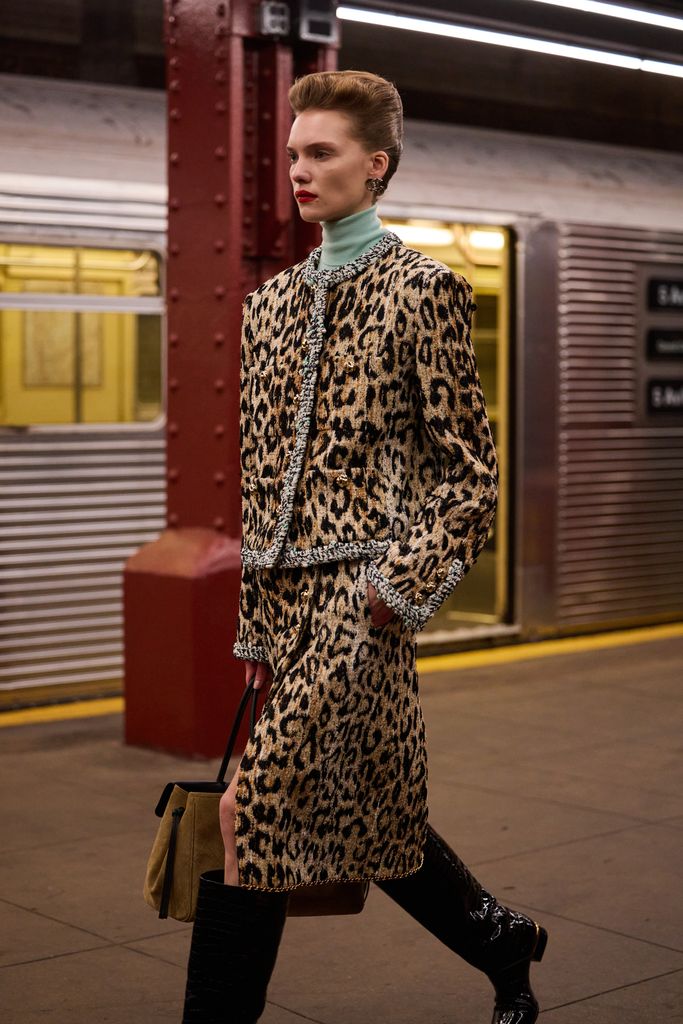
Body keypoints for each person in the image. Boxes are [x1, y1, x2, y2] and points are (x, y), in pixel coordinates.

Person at [182, 70, 548, 1024]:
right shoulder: (269, 306)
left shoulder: (423, 290)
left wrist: (398, 584)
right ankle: (500, 940)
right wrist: (259, 634)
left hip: (362, 596)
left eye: (323, 152)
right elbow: (265, 485)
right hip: (287, 607)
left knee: (249, 810)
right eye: (294, 153)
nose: (299, 170)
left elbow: (470, 471)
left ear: (374, 166)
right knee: (369, 809)